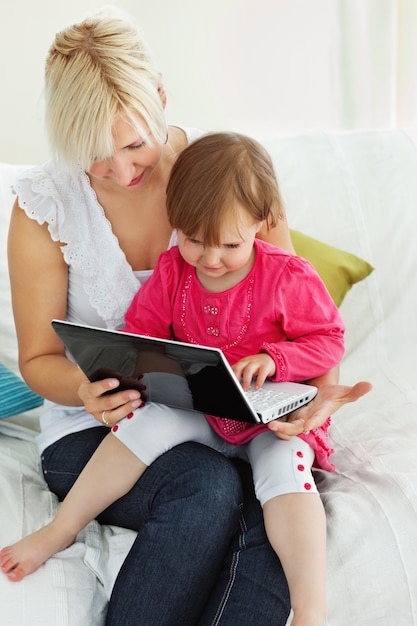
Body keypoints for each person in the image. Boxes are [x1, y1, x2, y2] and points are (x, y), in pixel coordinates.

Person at [1, 8, 371, 626]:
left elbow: (299, 310)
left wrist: (314, 398)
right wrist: (90, 391)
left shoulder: (228, 176)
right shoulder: (45, 208)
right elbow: (41, 359)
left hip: (238, 413)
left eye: (133, 143)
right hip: (95, 428)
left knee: (277, 498)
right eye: (94, 153)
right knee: (207, 488)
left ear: (162, 99)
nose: (122, 171)